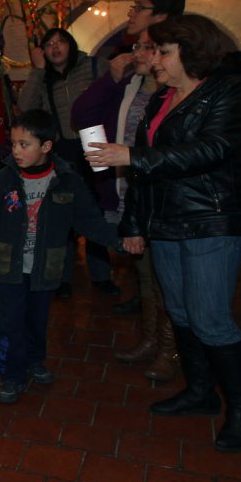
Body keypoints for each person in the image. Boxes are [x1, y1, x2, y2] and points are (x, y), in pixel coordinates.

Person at [86, 15, 241, 452]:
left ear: (190, 49)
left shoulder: (231, 89)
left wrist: (133, 156)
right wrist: (133, 224)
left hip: (210, 222)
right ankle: (200, 392)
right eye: (151, 51)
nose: (152, 59)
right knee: (180, 313)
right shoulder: (162, 97)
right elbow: (146, 167)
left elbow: (213, 149)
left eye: (162, 51)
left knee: (211, 320)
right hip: (165, 223)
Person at [0, 109, 121, 404]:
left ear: (46, 146)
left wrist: (120, 240)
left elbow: (89, 220)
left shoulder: (67, 180)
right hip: (9, 269)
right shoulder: (3, 179)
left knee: (38, 321)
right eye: (13, 143)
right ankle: (12, 375)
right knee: (11, 324)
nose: (16, 150)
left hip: (45, 269)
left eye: (24, 144)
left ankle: (34, 361)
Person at [72, 30, 179, 381]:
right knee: (145, 272)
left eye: (149, 47)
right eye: (141, 47)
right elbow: (82, 113)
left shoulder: (175, 93)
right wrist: (112, 78)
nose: (142, 53)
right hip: (130, 192)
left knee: (167, 278)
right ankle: (153, 341)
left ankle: (170, 349)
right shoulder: (131, 85)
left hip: (164, 197)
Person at [18, 28, 117, 299]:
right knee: (62, 216)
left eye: (60, 42)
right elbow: (25, 107)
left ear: (71, 44)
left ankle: (102, 276)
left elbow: (119, 92)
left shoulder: (94, 66)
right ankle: (63, 278)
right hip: (63, 152)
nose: (55, 48)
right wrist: (37, 71)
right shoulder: (44, 78)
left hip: (96, 148)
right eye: (48, 44)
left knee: (94, 213)